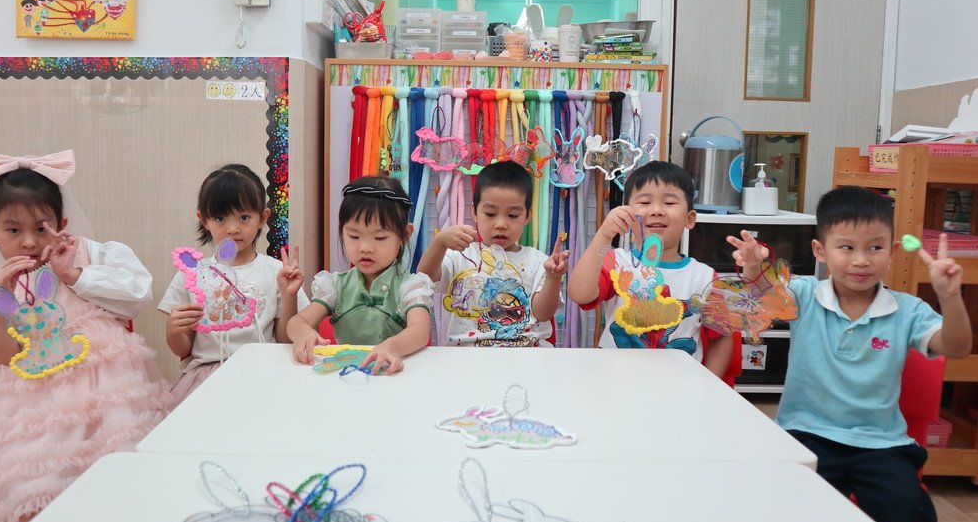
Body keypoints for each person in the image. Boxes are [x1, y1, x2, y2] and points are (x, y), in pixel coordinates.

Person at [0, 150, 172, 522]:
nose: (28, 241)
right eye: (13, 230)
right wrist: (3, 303)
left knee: (112, 483)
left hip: (101, 398)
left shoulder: (86, 254)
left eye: (41, 227)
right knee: (30, 491)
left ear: (61, 223)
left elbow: (136, 296)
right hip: (28, 410)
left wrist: (73, 275)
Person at [728, 185, 972, 522]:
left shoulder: (908, 310)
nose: (861, 260)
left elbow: (958, 347)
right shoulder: (804, 295)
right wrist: (752, 267)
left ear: (891, 252)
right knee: (787, 512)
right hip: (806, 434)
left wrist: (950, 297)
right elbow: (755, 302)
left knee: (903, 511)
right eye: (846, 247)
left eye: (874, 248)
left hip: (882, 443)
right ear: (820, 251)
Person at [158, 164, 309, 402]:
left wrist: (289, 295)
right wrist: (173, 330)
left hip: (264, 374)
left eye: (244, 217)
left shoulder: (276, 271)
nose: (233, 229)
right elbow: (182, 349)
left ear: (263, 218)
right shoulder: (193, 273)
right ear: (204, 219)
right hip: (208, 378)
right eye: (220, 218)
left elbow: (285, 341)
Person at [568, 161, 732, 376]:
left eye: (669, 202)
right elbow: (579, 294)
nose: (656, 211)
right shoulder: (618, 262)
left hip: (680, 385)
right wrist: (605, 233)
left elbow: (722, 336)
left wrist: (709, 384)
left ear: (690, 218)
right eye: (645, 202)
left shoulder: (705, 277)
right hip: (616, 380)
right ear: (627, 213)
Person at [288, 175, 433, 373]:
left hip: (394, 375)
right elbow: (297, 322)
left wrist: (392, 347)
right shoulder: (336, 285)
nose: (365, 248)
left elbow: (420, 330)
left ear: (405, 235)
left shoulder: (411, 286)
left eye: (380, 237)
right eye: (354, 236)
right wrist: (303, 332)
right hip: (347, 375)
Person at [418, 160, 568, 347]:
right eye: (490, 213)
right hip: (466, 356)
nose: (501, 224)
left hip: (526, 354)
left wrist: (553, 278)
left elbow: (543, 314)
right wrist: (439, 243)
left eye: (513, 215)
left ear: (527, 216)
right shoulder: (461, 255)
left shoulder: (538, 261)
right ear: (474, 212)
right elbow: (424, 277)